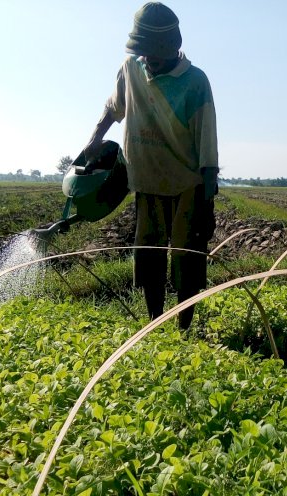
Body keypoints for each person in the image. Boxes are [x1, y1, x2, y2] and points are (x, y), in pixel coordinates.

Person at [83, 2, 218, 329]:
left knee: (187, 258)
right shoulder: (131, 67)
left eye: (153, 52)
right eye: (142, 51)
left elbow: (207, 141)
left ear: (171, 47)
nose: (148, 58)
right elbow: (114, 107)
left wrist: (208, 199)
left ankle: (183, 329)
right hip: (146, 184)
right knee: (149, 256)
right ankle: (155, 323)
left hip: (186, 184)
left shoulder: (195, 82)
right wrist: (94, 139)